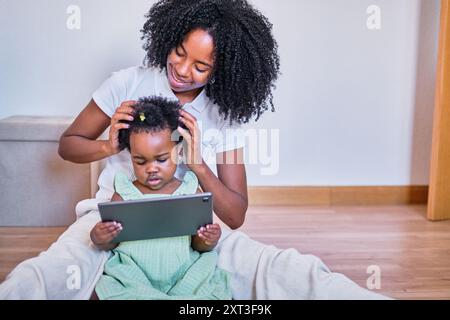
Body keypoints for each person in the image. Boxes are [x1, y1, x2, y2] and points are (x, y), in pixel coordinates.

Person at [0, 0, 387, 299]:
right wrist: (108, 144)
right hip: (114, 222)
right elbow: (68, 146)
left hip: (193, 232)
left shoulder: (226, 113)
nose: (183, 69)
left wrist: (198, 165)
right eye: (181, 52)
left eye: (201, 66)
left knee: (279, 268)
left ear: (222, 70)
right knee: (51, 269)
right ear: (171, 36)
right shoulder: (126, 84)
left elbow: (234, 215)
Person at [90, 96, 231, 300]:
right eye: (140, 161)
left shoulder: (191, 191)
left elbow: (198, 246)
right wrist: (100, 237)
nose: (152, 168)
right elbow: (111, 243)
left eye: (162, 159)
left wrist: (207, 239)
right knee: (103, 291)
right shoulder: (124, 193)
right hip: (135, 276)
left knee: (212, 290)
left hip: (184, 274)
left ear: (178, 152)